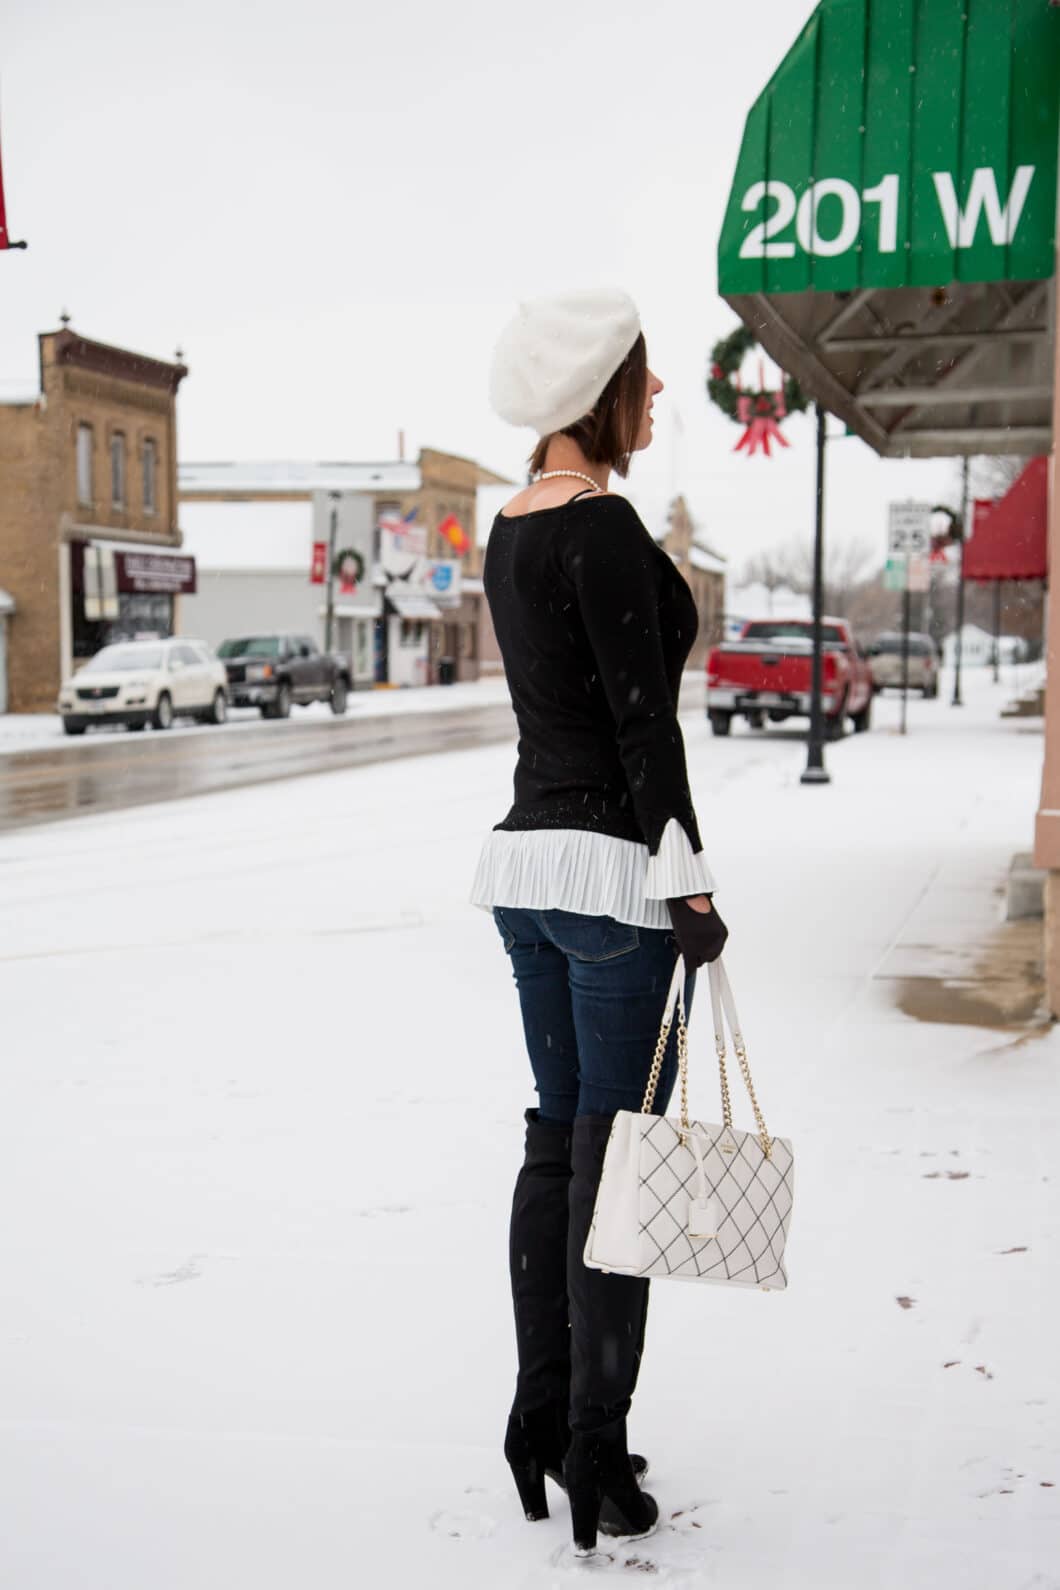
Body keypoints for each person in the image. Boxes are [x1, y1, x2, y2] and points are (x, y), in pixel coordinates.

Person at [471, 288, 729, 1555]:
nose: (656, 397)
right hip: (608, 888)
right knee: (618, 1168)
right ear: (599, 391)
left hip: (521, 877)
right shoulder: (605, 525)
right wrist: (687, 878)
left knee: (559, 1149)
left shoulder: (507, 530)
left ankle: (537, 1421)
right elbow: (641, 722)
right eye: (644, 377)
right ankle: (595, 1454)